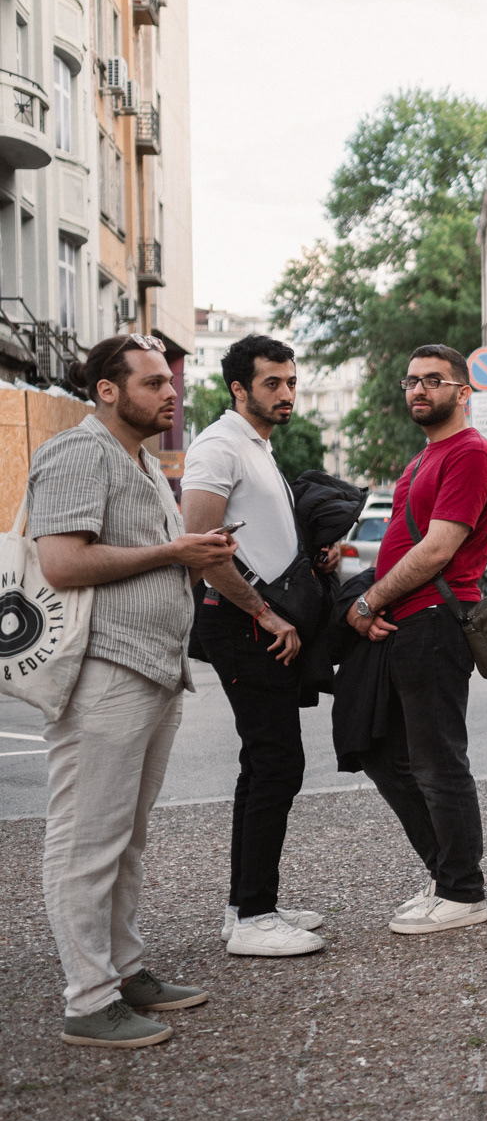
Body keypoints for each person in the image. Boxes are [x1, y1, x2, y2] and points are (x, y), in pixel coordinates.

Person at [31, 334, 238, 1048]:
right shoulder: (76, 452)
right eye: (153, 382)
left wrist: (195, 557)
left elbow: (148, 564)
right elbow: (62, 563)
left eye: (169, 382)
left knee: (125, 836)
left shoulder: (143, 462)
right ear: (108, 391)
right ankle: (89, 999)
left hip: (153, 668)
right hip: (104, 671)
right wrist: (176, 550)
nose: (170, 392)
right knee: (86, 840)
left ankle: (124, 970)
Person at [344, 344, 487, 935]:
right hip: (405, 623)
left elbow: (438, 549)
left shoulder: (470, 453)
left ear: (462, 392)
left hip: (435, 621)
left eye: (433, 380)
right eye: (411, 380)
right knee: (383, 754)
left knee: (438, 761)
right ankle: (446, 874)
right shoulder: (421, 459)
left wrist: (369, 600)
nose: (418, 389)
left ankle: (463, 891)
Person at [182, 333, 336, 958]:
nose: (286, 393)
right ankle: (255, 917)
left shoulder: (257, 446)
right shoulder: (219, 445)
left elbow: (257, 539)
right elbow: (201, 546)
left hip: (258, 620)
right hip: (242, 624)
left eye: (291, 381)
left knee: (262, 763)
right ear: (239, 388)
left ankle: (244, 904)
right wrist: (266, 615)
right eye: (272, 383)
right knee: (277, 763)